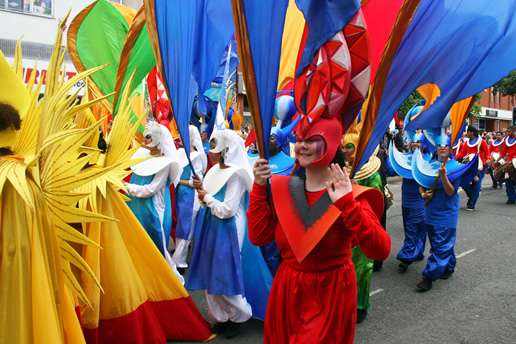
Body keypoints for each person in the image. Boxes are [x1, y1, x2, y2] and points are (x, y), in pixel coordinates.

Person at [247, 116, 391, 343]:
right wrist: (258, 188)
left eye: (312, 139)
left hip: (330, 292)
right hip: (287, 289)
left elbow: (380, 249)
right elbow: (259, 236)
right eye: (300, 138)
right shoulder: (284, 187)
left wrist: (348, 205)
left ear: (332, 142)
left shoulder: (347, 194)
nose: (302, 145)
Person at [186, 129, 272, 339]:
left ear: (225, 149)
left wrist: (206, 197)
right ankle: (221, 317)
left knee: (225, 274)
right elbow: (209, 202)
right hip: (210, 227)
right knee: (210, 272)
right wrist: (202, 194)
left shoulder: (237, 175)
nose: (210, 150)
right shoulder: (212, 171)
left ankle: (238, 316)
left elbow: (228, 210)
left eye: (215, 146)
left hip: (230, 230)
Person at [125, 122, 184, 283]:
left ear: (158, 139)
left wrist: (127, 187)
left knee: (156, 245)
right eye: (146, 135)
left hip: (153, 211)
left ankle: (166, 280)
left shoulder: (164, 164)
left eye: (149, 136)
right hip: (137, 207)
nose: (145, 139)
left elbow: (151, 189)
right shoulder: (142, 156)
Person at [342, 131, 386, 324]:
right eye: (343, 146)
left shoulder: (371, 174)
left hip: (361, 226)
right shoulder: (338, 168)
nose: (344, 151)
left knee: (361, 268)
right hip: (342, 228)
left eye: (349, 147)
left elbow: (376, 201)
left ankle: (360, 305)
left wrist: (356, 189)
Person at [417, 135, 462, 291]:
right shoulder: (429, 165)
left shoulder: (455, 167)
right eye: (439, 145)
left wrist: (443, 175)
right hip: (431, 211)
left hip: (447, 213)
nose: (442, 147)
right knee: (439, 242)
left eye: (446, 145)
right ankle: (449, 266)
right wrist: (424, 195)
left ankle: (428, 277)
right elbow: (421, 184)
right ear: (435, 148)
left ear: (450, 148)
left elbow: (451, 192)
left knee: (440, 245)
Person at [172, 125, 207, 272]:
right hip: (182, 195)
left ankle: (178, 262)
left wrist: (178, 181)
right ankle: (178, 260)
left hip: (191, 197)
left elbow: (196, 181)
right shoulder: (179, 152)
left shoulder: (197, 156)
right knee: (182, 228)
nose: (180, 136)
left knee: (187, 229)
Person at [396, 132, 428, 271]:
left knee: (412, 227)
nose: (415, 144)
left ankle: (407, 255)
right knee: (412, 228)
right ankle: (419, 251)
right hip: (405, 200)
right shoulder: (405, 158)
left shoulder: (428, 159)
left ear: (424, 144)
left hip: (419, 201)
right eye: (413, 142)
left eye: (418, 142)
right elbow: (393, 170)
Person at [455, 125, 489, 211]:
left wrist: (488, 160)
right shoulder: (467, 143)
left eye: (468, 132)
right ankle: (472, 196)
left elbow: (487, 153)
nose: (466, 134)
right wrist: (452, 159)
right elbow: (462, 154)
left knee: (476, 184)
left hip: (479, 167)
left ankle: (472, 203)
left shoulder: (482, 142)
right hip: (468, 166)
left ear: (472, 133)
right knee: (464, 183)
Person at [493, 125, 516, 204]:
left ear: (513, 131)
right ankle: (511, 198)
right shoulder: (506, 140)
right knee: (508, 179)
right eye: (507, 132)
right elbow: (503, 152)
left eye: (509, 131)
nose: (507, 133)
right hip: (508, 162)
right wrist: (497, 161)